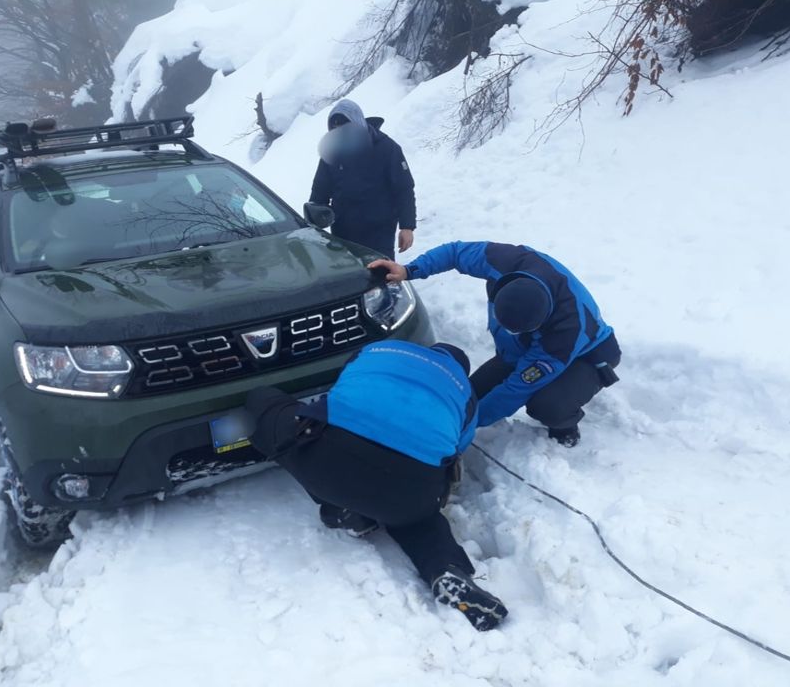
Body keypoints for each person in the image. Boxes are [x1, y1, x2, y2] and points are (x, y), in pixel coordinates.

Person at [245, 340, 508, 631]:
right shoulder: (464, 390)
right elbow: (455, 452)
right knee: (417, 520)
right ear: (458, 369)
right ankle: (447, 569)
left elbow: (339, 390)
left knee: (264, 402)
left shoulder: (379, 349)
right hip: (407, 486)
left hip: (327, 462)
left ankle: (342, 506)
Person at [369, 242, 621, 447]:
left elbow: (516, 388)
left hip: (589, 356)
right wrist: (410, 270)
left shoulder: (565, 332)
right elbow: (455, 253)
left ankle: (565, 424)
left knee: (545, 405)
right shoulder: (506, 261)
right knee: (468, 398)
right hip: (521, 350)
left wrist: (464, 428)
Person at [309, 99, 416, 259]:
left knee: (382, 275)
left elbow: (404, 189)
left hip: (380, 230)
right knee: (350, 277)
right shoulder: (331, 152)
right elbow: (320, 190)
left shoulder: (387, 148)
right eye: (335, 127)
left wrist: (407, 227)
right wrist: (314, 222)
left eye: (345, 126)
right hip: (343, 230)